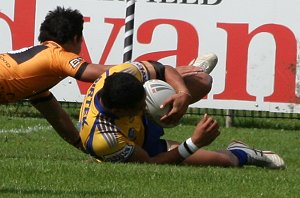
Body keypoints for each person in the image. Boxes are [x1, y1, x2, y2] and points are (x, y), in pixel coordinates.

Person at [0, 6, 215, 151]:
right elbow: (110, 73)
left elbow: (55, 115)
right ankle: (188, 69)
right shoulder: (57, 56)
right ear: (76, 38)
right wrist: (164, 71)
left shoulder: (39, 75)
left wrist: (82, 144)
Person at [78, 60, 285, 169]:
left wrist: (182, 94)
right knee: (225, 161)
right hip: (141, 146)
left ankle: (189, 70)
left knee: (203, 81)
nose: (145, 108)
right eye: (140, 107)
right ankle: (242, 152)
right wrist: (194, 143)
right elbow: (150, 164)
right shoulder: (104, 138)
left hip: (139, 126)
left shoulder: (124, 73)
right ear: (119, 111)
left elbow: (163, 68)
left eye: (145, 102)